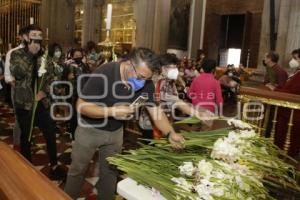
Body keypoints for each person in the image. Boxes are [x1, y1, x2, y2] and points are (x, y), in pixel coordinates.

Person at [64, 48, 185, 200]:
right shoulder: (105, 72)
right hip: (89, 130)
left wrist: (170, 132)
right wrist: (112, 112)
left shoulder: (146, 83)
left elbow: (156, 112)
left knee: (110, 172)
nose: (141, 83)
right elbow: (81, 105)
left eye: (146, 79)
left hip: (116, 133)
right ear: (128, 64)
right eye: (140, 77)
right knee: (78, 170)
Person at [10, 25, 66, 180]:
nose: (37, 39)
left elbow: (53, 78)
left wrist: (44, 91)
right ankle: (26, 168)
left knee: (49, 133)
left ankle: (54, 166)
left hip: (42, 103)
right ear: (26, 38)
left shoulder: (45, 57)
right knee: (26, 136)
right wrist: (31, 54)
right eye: (34, 35)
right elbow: (18, 73)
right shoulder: (17, 54)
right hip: (25, 104)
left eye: (40, 36)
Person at [139, 53, 213, 139]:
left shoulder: (169, 81)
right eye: (172, 67)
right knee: (150, 147)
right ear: (162, 68)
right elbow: (175, 102)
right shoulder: (153, 81)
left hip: (165, 122)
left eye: (175, 67)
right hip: (150, 124)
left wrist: (196, 112)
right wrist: (196, 113)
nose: (175, 70)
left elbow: (176, 100)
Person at [4, 26, 28, 151]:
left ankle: (26, 142)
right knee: (20, 118)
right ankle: (17, 144)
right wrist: (19, 87)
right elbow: (8, 76)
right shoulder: (13, 52)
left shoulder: (38, 52)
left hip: (34, 91)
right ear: (21, 37)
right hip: (18, 90)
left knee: (30, 118)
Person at [274, 48, 300, 157]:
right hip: (287, 112)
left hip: (293, 114)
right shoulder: (297, 72)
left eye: (295, 58)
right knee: (281, 136)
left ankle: (287, 161)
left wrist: (275, 90)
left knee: (289, 140)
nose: (292, 61)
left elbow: (294, 92)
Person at [63, 48, 90, 139]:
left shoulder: (84, 65)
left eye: (80, 56)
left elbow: (89, 77)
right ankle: (73, 132)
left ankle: (82, 132)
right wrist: (68, 77)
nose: (78, 57)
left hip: (83, 93)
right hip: (72, 94)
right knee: (74, 114)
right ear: (72, 56)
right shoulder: (68, 65)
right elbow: (63, 79)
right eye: (76, 56)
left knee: (82, 113)